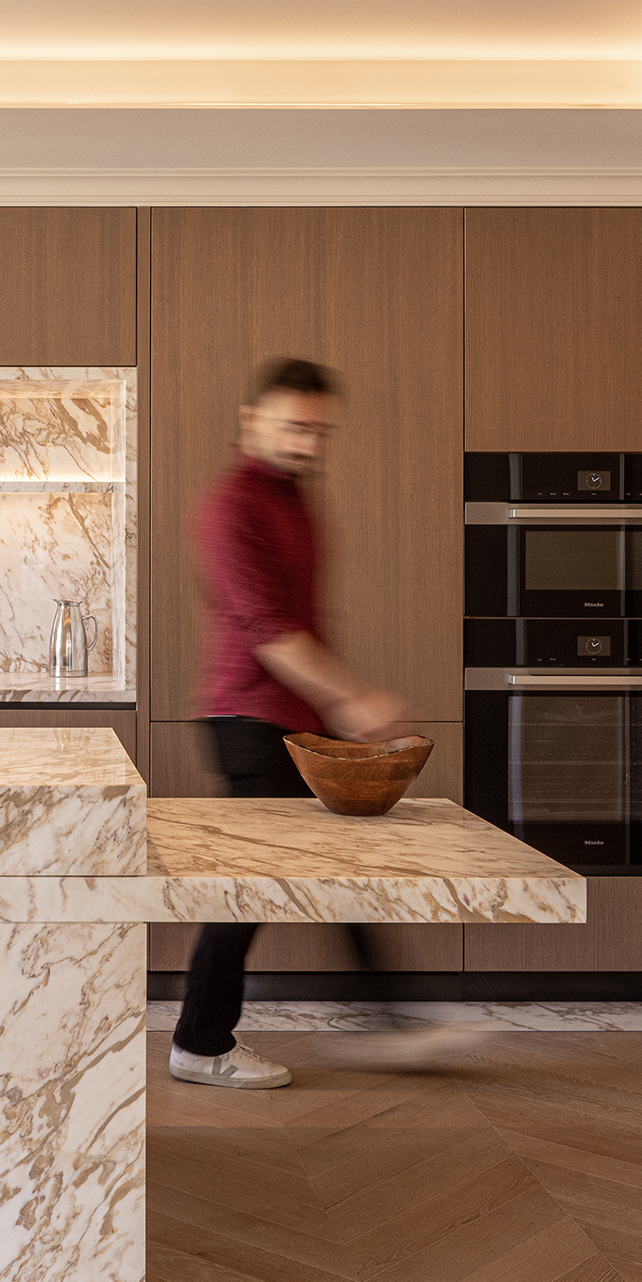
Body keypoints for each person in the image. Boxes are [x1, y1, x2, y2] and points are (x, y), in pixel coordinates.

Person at [169, 357, 479, 1089]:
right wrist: (352, 697)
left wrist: (334, 704)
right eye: (294, 426)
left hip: (299, 717)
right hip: (248, 715)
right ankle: (201, 1041)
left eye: (318, 430)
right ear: (251, 420)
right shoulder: (230, 506)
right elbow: (268, 628)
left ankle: (391, 1021)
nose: (308, 444)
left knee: (344, 866)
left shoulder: (294, 497)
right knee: (248, 882)